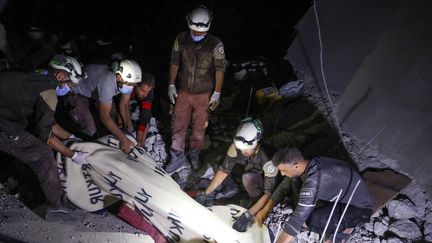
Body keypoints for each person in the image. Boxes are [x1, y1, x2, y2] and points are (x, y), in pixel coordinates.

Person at [0, 54, 90, 216]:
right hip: (4, 123)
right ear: (61, 75)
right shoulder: (48, 89)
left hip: (6, 113)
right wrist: (73, 154)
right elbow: (46, 135)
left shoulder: (39, 75)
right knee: (43, 154)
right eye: (69, 83)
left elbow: (48, 123)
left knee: (27, 142)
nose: (69, 88)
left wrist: (70, 137)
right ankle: (56, 204)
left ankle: (18, 179)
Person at [255, 147, 376, 243]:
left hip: (360, 208)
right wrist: (265, 210)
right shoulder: (308, 163)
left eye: (283, 170)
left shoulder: (314, 181)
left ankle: (347, 230)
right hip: (347, 193)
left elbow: (297, 220)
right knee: (299, 195)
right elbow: (283, 187)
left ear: (295, 166)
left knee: (313, 220)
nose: (282, 173)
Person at [165, 5, 227, 172]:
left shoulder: (215, 44)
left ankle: (194, 153)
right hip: (184, 91)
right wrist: (171, 84)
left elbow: (220, 69)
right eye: (195, 30)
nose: (198, 34)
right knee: (178, 124)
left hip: (204, 93)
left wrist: (217, 93)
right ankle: (176, 155)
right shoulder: (181, 39)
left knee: (199, 127)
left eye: (201, 32)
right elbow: (174, 61)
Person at [195, 118, 279, 231]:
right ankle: (253, 199)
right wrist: (206, 193)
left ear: (256, 145)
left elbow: (269, 193)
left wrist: (249, 214)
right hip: (253, 170)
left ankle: (256, 203)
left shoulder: (268, 159)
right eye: (240, 149)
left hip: (273, 183)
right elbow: (224, 171)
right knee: (227, 165)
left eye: (246, 150)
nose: (242, 152)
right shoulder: (237, 147)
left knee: (247, 178)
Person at [63, 59, 142, 153]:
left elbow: (124, 104)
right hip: (77, 92)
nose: (131, 87)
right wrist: (123, 139)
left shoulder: (126, 81)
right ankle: (81, 151)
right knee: (90, 129)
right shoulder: (107, 82)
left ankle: (106, 136)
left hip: (94, 91)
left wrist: (128, 129)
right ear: (118, 77)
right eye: (129, 84)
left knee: (113, 116)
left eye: (133, 85)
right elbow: (104, 117)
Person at [118, 71, 155, 147]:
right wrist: (126, 127)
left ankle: (142, 143)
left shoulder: (148, 94)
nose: (145, 95)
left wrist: (140, 139)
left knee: (148, 116)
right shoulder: (128, 86)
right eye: (142, 90)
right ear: (136, 85)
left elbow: (145, 115)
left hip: (135, 100)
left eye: (147, 92)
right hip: (126, 99)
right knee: (122, 118)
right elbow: (122, 105)